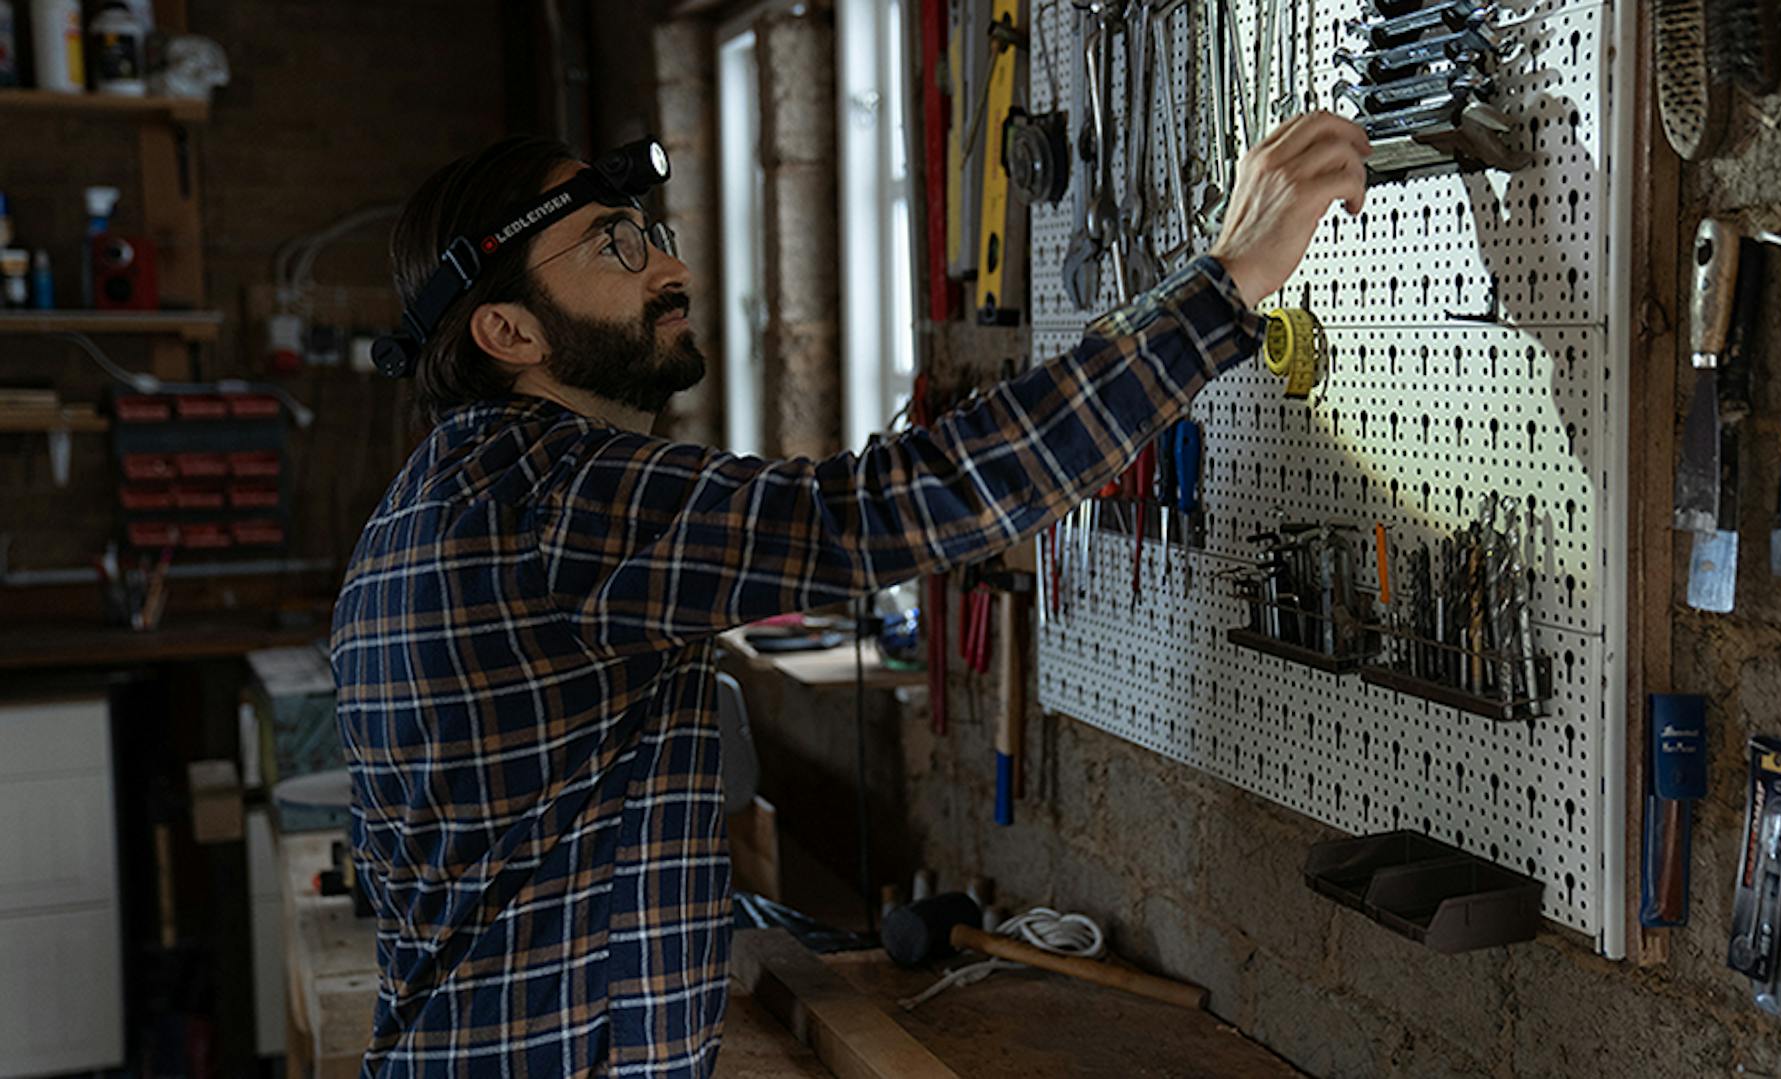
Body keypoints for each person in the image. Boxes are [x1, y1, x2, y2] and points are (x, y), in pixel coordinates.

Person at [331, 111, 1369, 1077]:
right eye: (616, 245)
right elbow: (900, 503)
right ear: (508, 332)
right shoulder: (553, 498)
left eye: (652, 232)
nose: (673, 267)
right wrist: (1225, 284)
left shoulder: (430, 506)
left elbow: (533, 852)